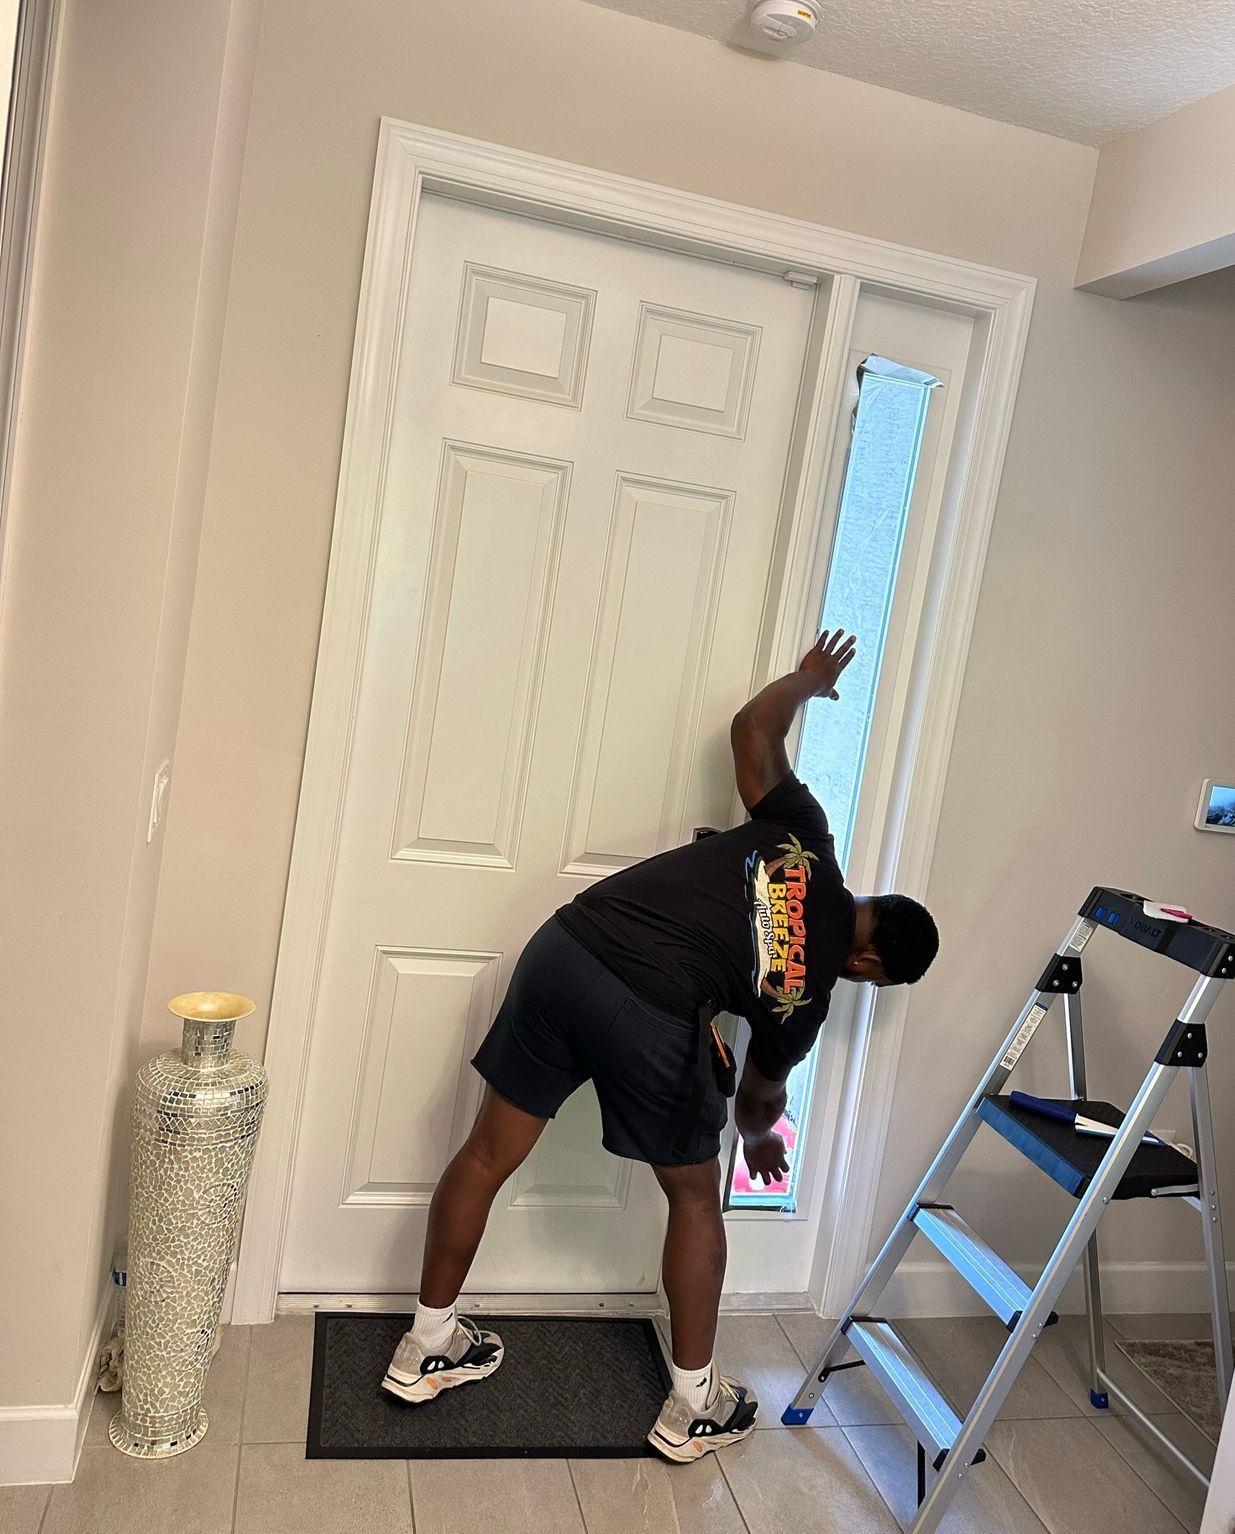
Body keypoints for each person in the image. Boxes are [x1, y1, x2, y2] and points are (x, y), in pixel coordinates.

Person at [381, 629, 939, 1460]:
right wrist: (754, 1135)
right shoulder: (810, 992)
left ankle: (424, 1346)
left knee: (488, 1151)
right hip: (645, 1006)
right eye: (872, 980)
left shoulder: (803, 833)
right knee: (691, 1197)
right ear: (867, 960)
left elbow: (751, 732)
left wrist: (806, 681)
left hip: (567, 946)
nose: (858, 983)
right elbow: (758, 1092)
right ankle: (693, 1406)